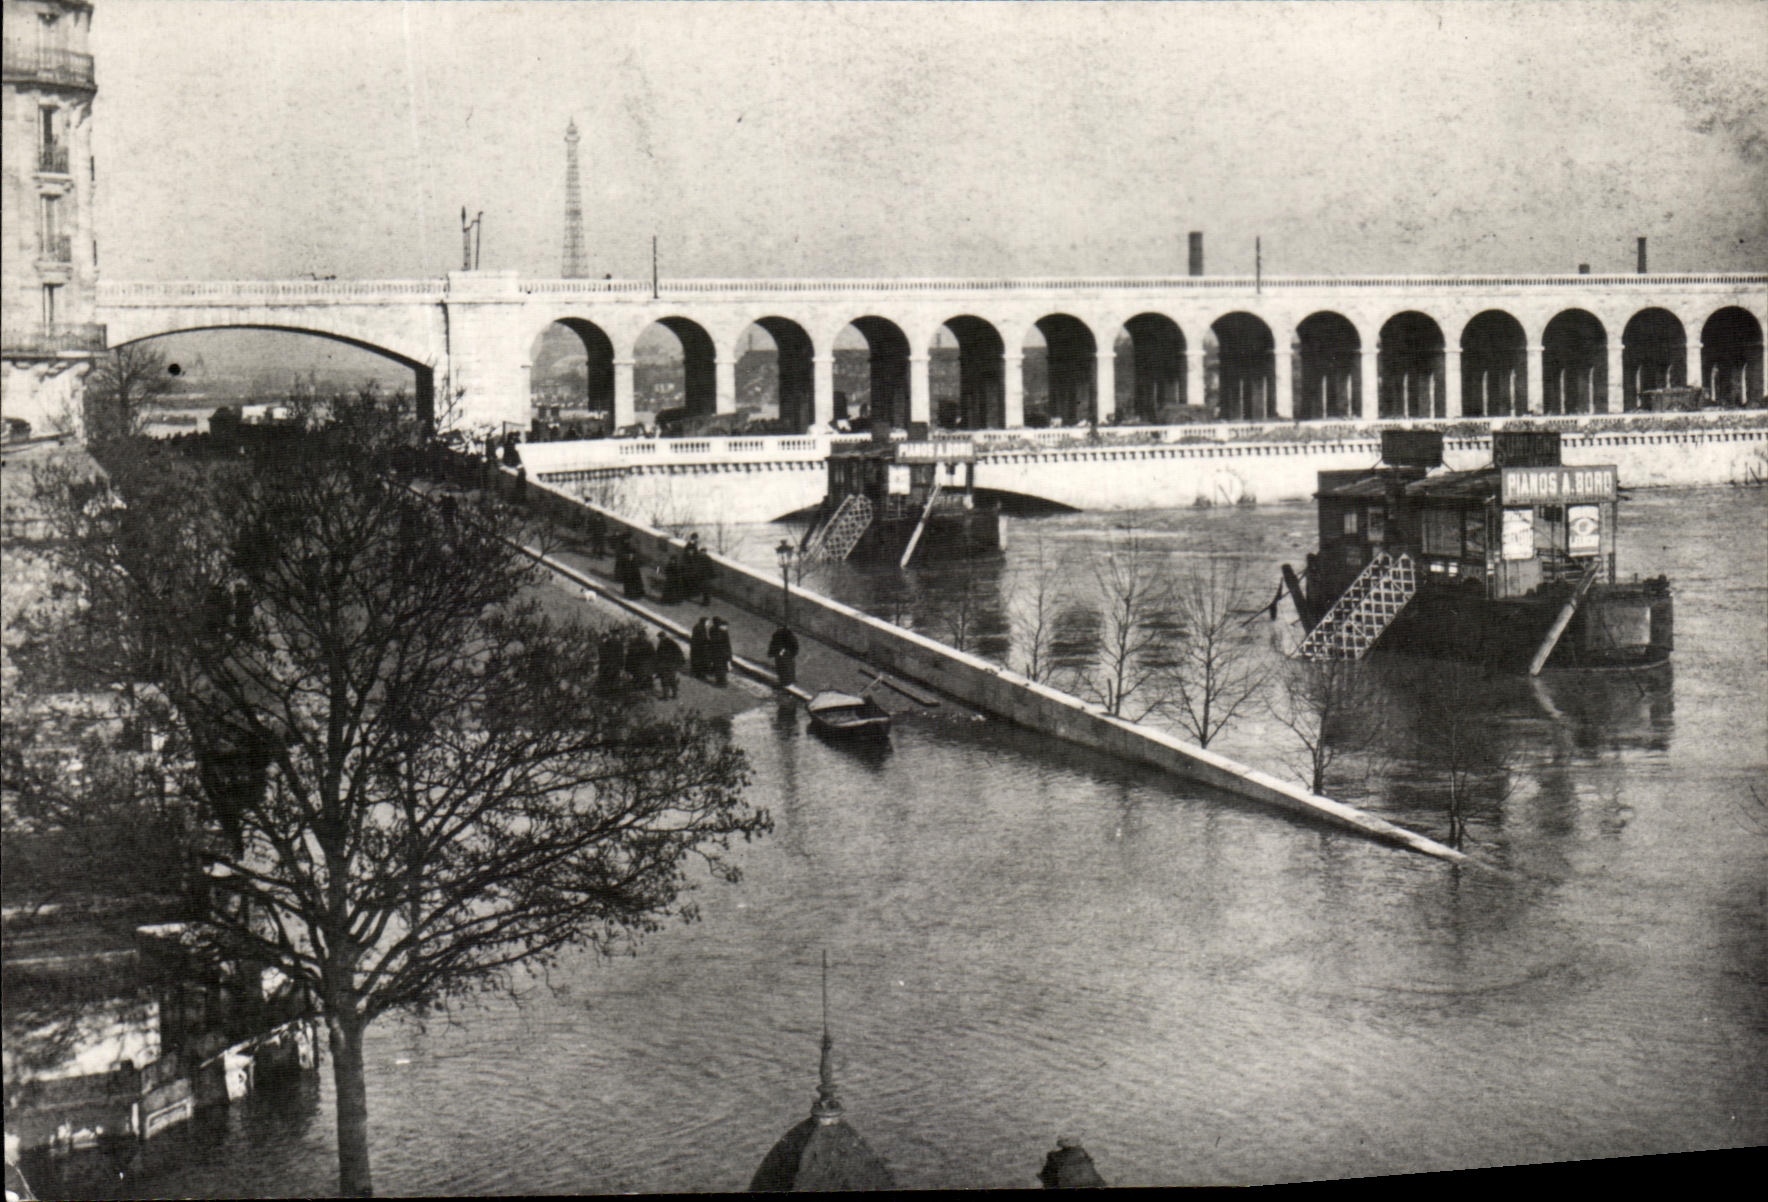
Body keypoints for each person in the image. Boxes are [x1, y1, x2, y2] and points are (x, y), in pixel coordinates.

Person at [767, 625, 800, 690]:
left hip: (785, 655)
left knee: (785, 668)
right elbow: (774, 644)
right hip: (782, 654)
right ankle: (785, 682)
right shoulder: (778, 635)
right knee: (783, 668)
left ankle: (786, 682)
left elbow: (794, 648)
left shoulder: (788, 637)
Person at [654, 631, 684, 698]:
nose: (660, 638)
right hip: (668, 665)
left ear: (664, 636)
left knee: (666, 680)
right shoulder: (666, 643)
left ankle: (669, 696)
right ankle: (671, 695)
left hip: (669, 665)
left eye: (661, 637)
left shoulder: (669, 643)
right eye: (660, 637)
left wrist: (678, 662)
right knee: (669, 679)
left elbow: (678, 653)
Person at [706, 617, 732, 686]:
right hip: (721, 653)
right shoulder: (722, 633)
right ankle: (722, 683)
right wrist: (728, 656)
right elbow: (726, 644)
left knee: (719, 667)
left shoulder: (713, 629)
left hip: (716, 652)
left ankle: (720, 681)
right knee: (721, 668)